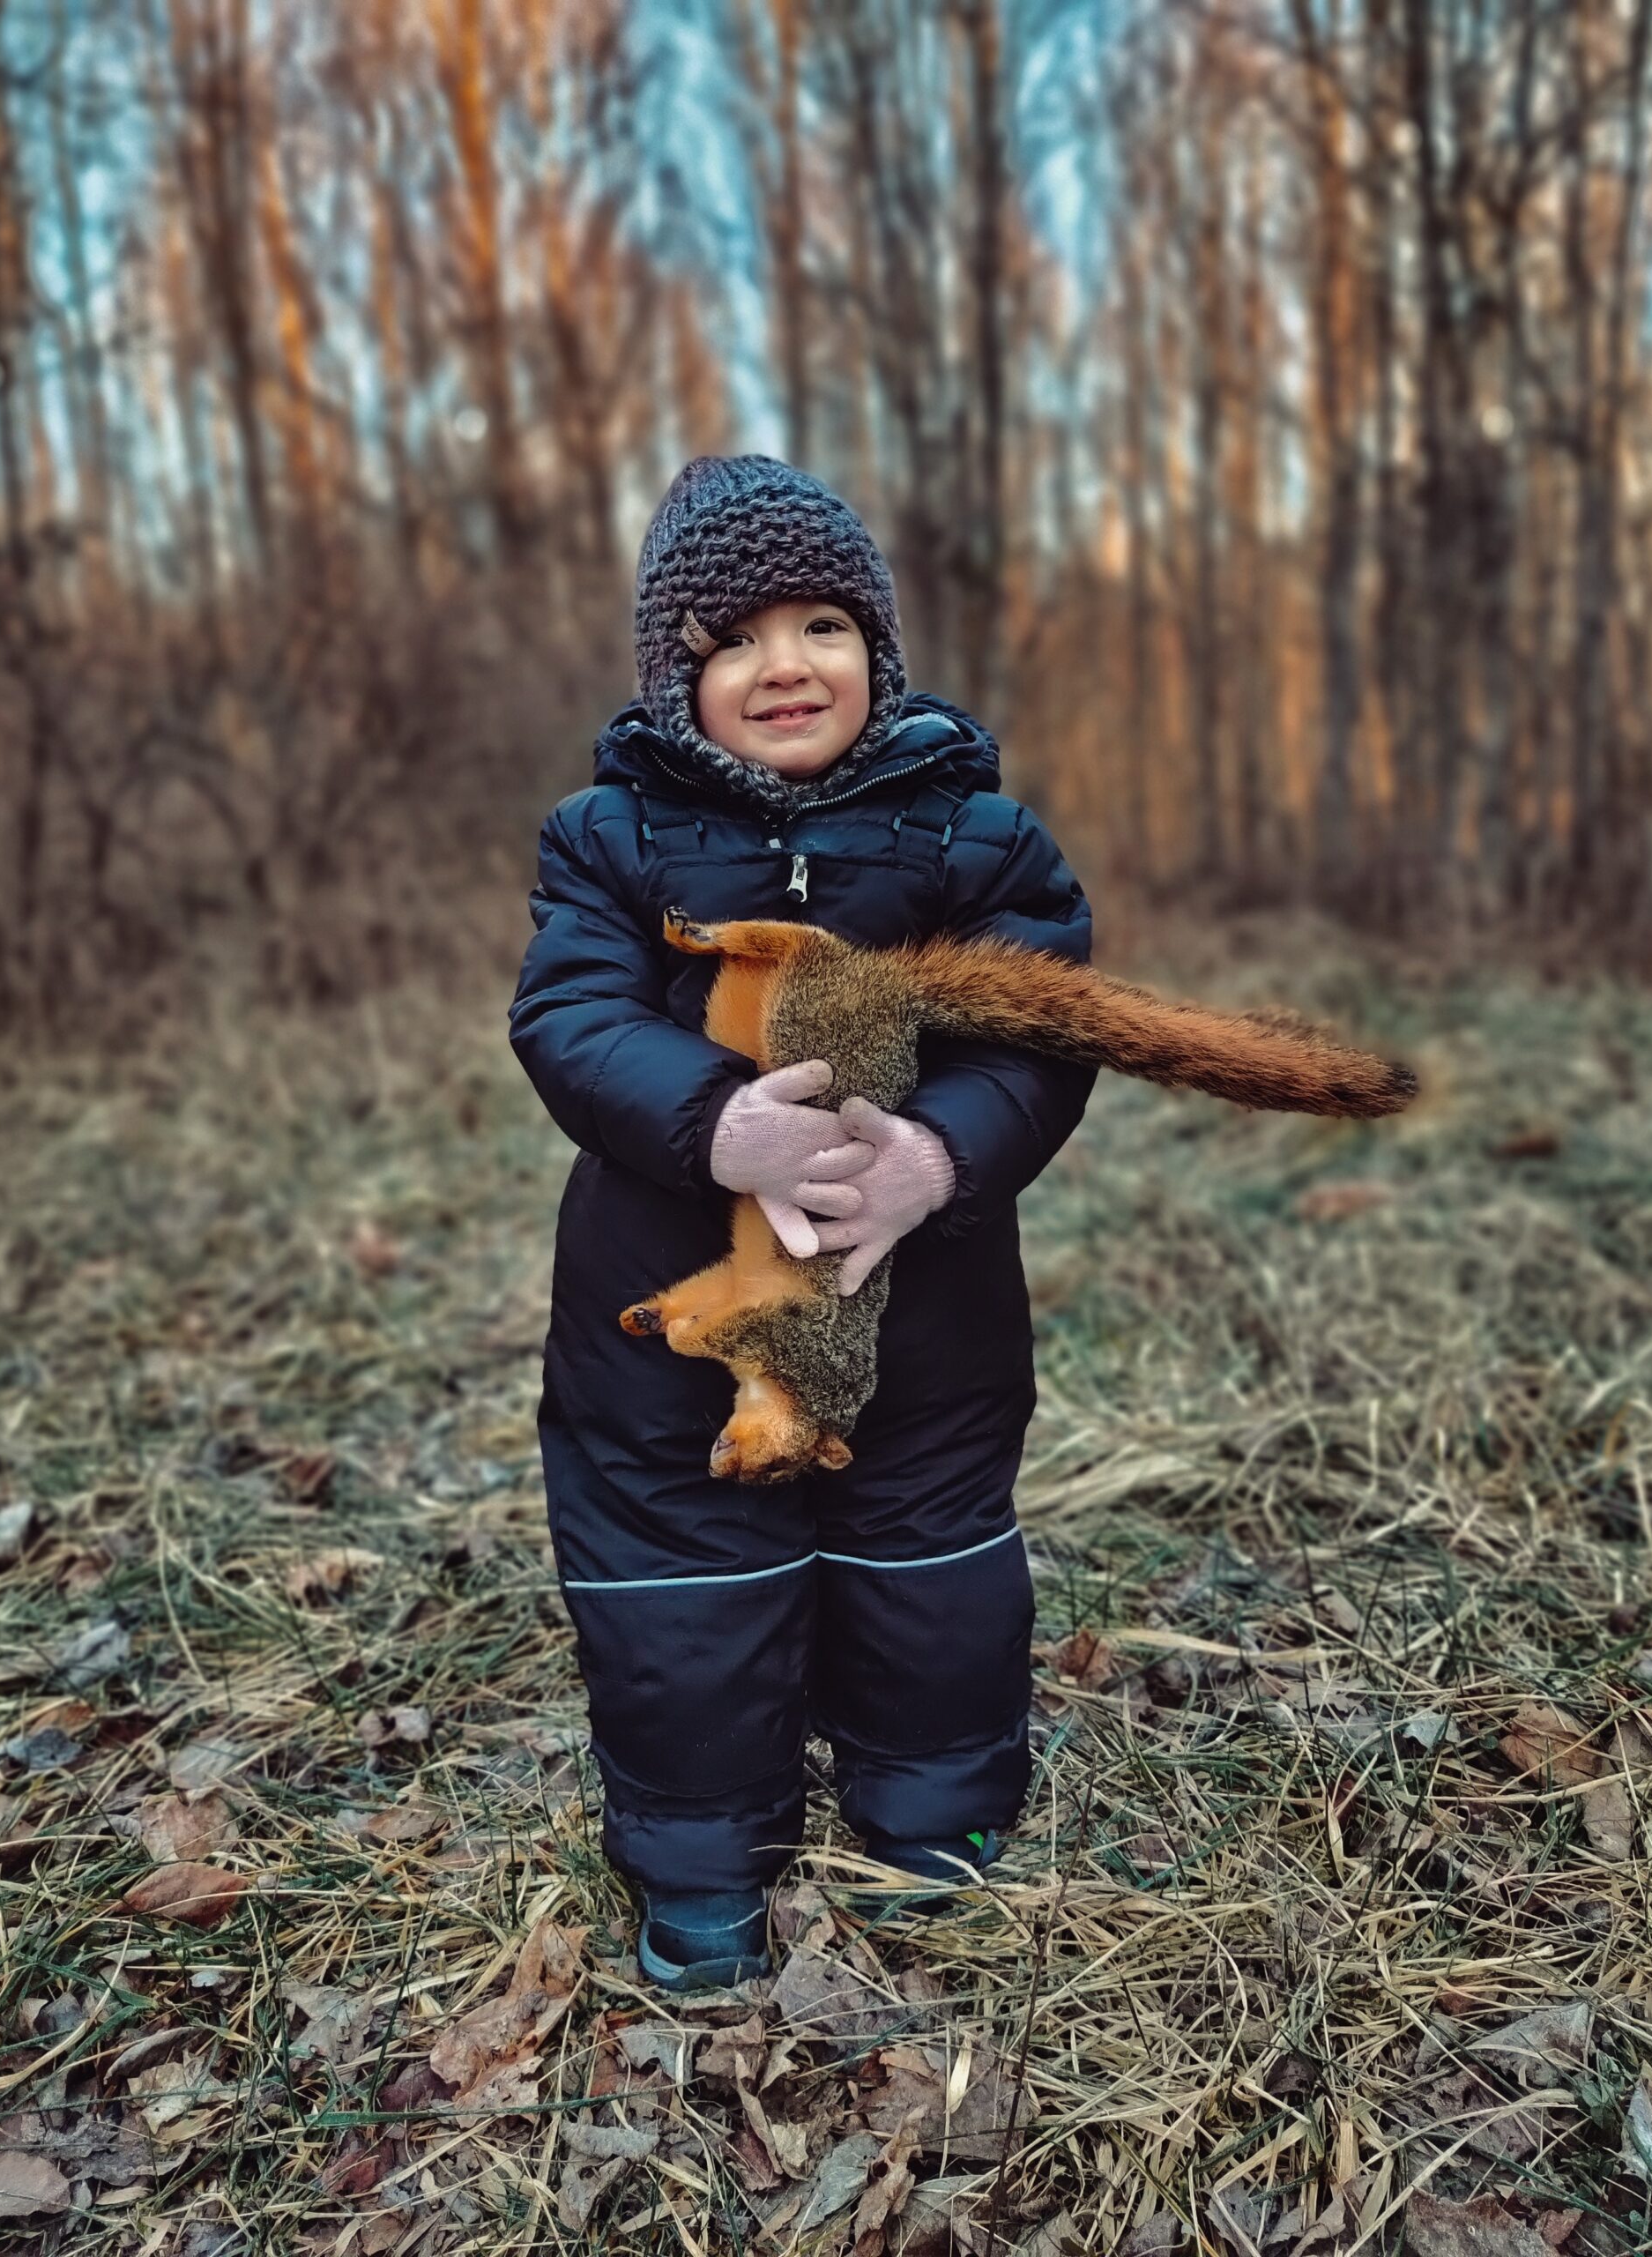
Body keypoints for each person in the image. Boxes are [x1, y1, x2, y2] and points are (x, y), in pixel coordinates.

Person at [509, 455, 1093, 1992]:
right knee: (680, 1575)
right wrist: (718, 1126)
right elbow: (570, 1016)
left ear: (878, 649)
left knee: (929, 1559)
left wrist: (941, 1158)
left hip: (930, 1304)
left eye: (822, 625)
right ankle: (702, 1861)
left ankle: (932, 1823)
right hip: (673, 1296)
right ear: (676, 673)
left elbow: (1039, 1030)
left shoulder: (975, 835)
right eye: (734, 639)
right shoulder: (612, 839)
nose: (785, 667)